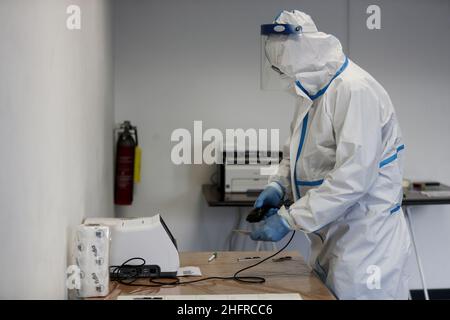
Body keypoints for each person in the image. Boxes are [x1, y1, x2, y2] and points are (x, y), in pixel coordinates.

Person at [252, 10, 411, 299]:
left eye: (283, 70)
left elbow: (354, 177)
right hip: (332, 234)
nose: (285, 79)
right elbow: (296, 155)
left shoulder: (355, 90)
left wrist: (290, 219)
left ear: (302, 58)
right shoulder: (312, 93)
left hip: (366, 240)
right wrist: (279, 184)